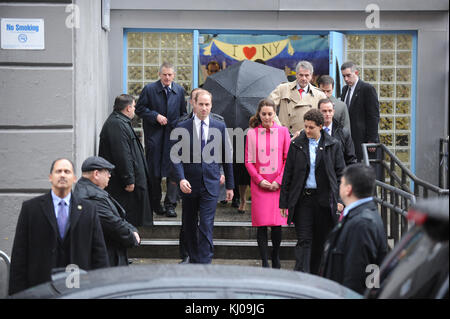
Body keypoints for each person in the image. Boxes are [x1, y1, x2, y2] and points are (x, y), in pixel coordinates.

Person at [8, 158, 109, 295]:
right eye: (58, 171)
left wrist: (101, 291)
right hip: (40, 287)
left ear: (74, 178)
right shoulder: (31, 209)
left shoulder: (88, 210)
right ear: (50, 177)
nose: (62, 175)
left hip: (77, 287)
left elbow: (99, 254)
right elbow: (20, 254)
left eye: (67, 171)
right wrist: (17, 294)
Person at [170, 89, 234, 264]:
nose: (204, 108)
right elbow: (175, 157)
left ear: (211, 105)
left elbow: (227, 156)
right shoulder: (182, 127)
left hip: (211, 184)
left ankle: (205, 261)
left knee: (206, 223)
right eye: (201, 104)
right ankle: (193, 259)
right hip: (189, 184)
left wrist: (230, 186)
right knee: (189, 224)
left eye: (207, 104)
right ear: (193, 104)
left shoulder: (219, 126)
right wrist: (181, 178)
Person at [280, 109, 345, 274]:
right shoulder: (296, 144)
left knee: (321, 242)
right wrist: (284, 201)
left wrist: (340, 200)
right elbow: (288, 174)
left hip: (325, 200)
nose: (307, 130)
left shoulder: (333, 145)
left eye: (311, 127)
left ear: (321, 127)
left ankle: (317, 277)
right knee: (304, 240)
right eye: (306, 126)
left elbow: (341, 174)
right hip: (303, 200)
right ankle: (301, 275)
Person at [319, 163, 388, 294]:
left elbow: (355, 277)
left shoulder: (362, 224)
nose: (339, 186)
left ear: (348, 189)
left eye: (342, 183)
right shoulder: (359, 215)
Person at [135, 62, 187, 218]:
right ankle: (156, 204)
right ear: (160, 74)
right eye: (164, 74)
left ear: (174, 75)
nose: (167, 77)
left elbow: (183, 114)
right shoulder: (149, 90)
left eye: (170, 74)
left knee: (173, 173)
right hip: (155, 139)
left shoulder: (179, 90)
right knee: (155, 174)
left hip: (173, 139)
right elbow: (139, 109)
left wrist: (179, 126)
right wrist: (155, 116)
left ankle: (170, 205)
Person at [245, 98, 290, 268]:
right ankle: (264, 261)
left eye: (270, 114)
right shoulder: (251, 133)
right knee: (261, 225)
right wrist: (260, 180)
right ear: (259, 114)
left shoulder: (283, 132)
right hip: (259, 186)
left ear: (275, 114)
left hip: (278, 186)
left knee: (277, 225)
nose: (266, 117)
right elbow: (248, 161)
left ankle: (276, 257)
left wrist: (278, 181)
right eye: (263, 114)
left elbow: (287, 159)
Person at [74, 156, 141, 266]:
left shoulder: (92, 191)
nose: (109, 175)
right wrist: (132, 237)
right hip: (105, 260)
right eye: (107, 172)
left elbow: (117, 218)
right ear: (96, 174)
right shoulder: (91, 196)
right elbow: (113, 224)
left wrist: (132, 229)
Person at [99, 94, 152, 227]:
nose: (134, 109)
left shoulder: (119, 122)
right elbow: (122, 154)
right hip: (123, 185)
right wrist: (129, 179)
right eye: (134, 107)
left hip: (126, 183)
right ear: (128, 108)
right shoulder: (116, 124)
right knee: (126, 219)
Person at [269, 60, 327, 136]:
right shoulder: (283, 88)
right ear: (296, 75)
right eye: (301, 75)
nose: (304, 78)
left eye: (307, 75)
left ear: (311, 76)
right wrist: (279, 128)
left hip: (308, 137)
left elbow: (324, 117)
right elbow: (268, 107)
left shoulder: (319, 95)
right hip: (285, 136)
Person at [340, 61, 380, 162]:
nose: (346, 79)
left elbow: (373, 115)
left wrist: (372, 139)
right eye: (344, 76)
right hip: (349, 139)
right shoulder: (345, 89)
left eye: (348, 75)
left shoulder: (367, 89)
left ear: (356, 73)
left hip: (363, 139)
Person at [318, 98, 357, 166]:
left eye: (330, 111)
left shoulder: (344, 133)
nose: (327, 114)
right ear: (318, 112)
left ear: (333, 112)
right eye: (324, 111)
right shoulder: (313, 131)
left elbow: (351, 159)